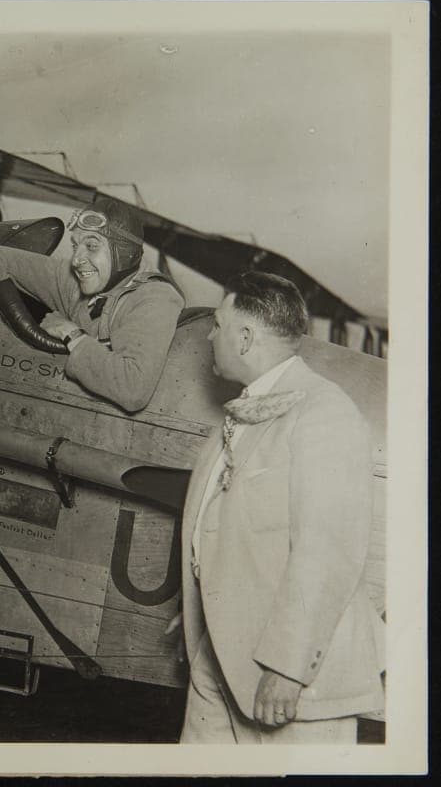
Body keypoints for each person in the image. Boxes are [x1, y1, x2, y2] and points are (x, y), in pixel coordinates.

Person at [176, 271, 384, 743]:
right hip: (221, 657)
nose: (209, 335)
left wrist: (288, 668)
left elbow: (327, 552)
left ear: (245, 337)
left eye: (216, 324)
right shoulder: (241, 413)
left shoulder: (324, 413)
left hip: (288, 683)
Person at [0, 196, 183, 412]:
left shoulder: (156, 298)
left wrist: (71, 333)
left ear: (125, 253)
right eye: (76, 246)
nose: (77, 260)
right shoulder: (73, 281)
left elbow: (133, 389)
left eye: (91, 246)